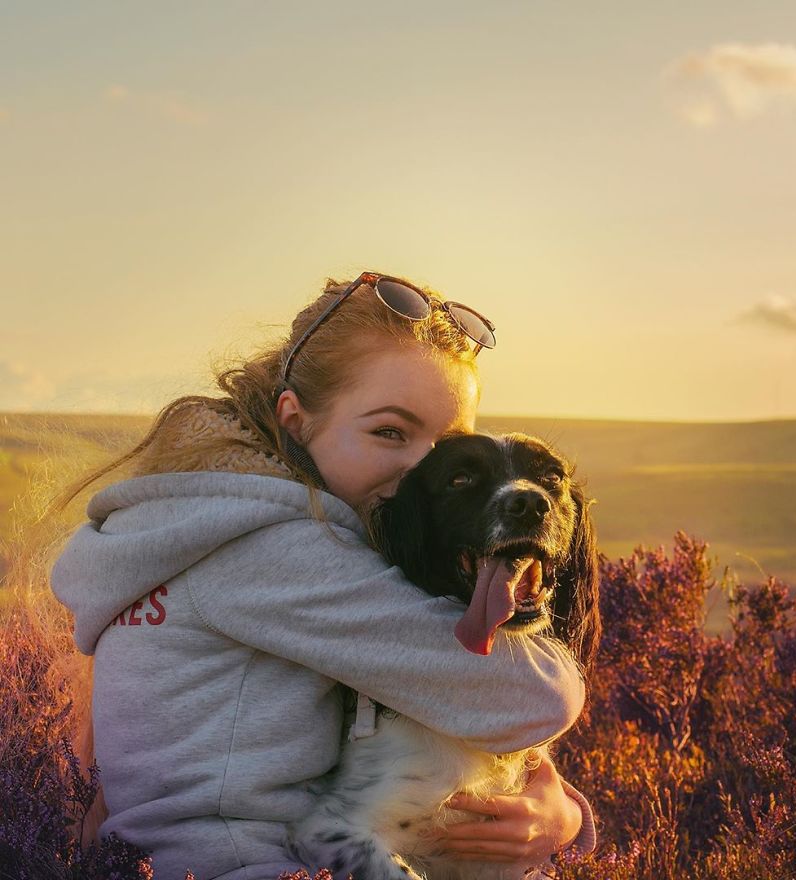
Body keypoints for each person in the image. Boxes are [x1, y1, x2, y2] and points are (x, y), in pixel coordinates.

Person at [50, 271, 597, 880]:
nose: (422, 472)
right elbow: (525, 696)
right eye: (390, 431)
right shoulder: (275, 554)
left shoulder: (202, 520)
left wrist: (558, 811)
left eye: (448, 448)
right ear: (295, 419)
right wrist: (563, 817)